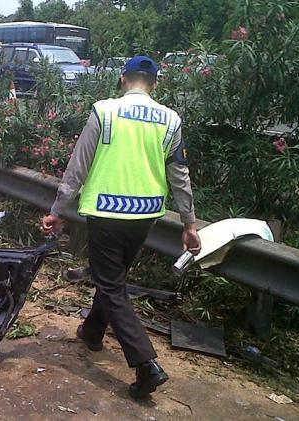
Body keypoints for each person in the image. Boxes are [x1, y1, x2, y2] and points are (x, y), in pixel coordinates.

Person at [42, 55, 201, 399]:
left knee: (112, 285)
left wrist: (58, 211)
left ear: (123, 78)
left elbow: (78, 167)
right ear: (155, 84)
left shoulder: (104, 112)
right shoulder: (170, 120)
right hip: (144, 217)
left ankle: (146, 364)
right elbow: (180, 176)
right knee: (111, 279)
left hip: (106, 212)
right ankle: (93, 331)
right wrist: (189, 223)